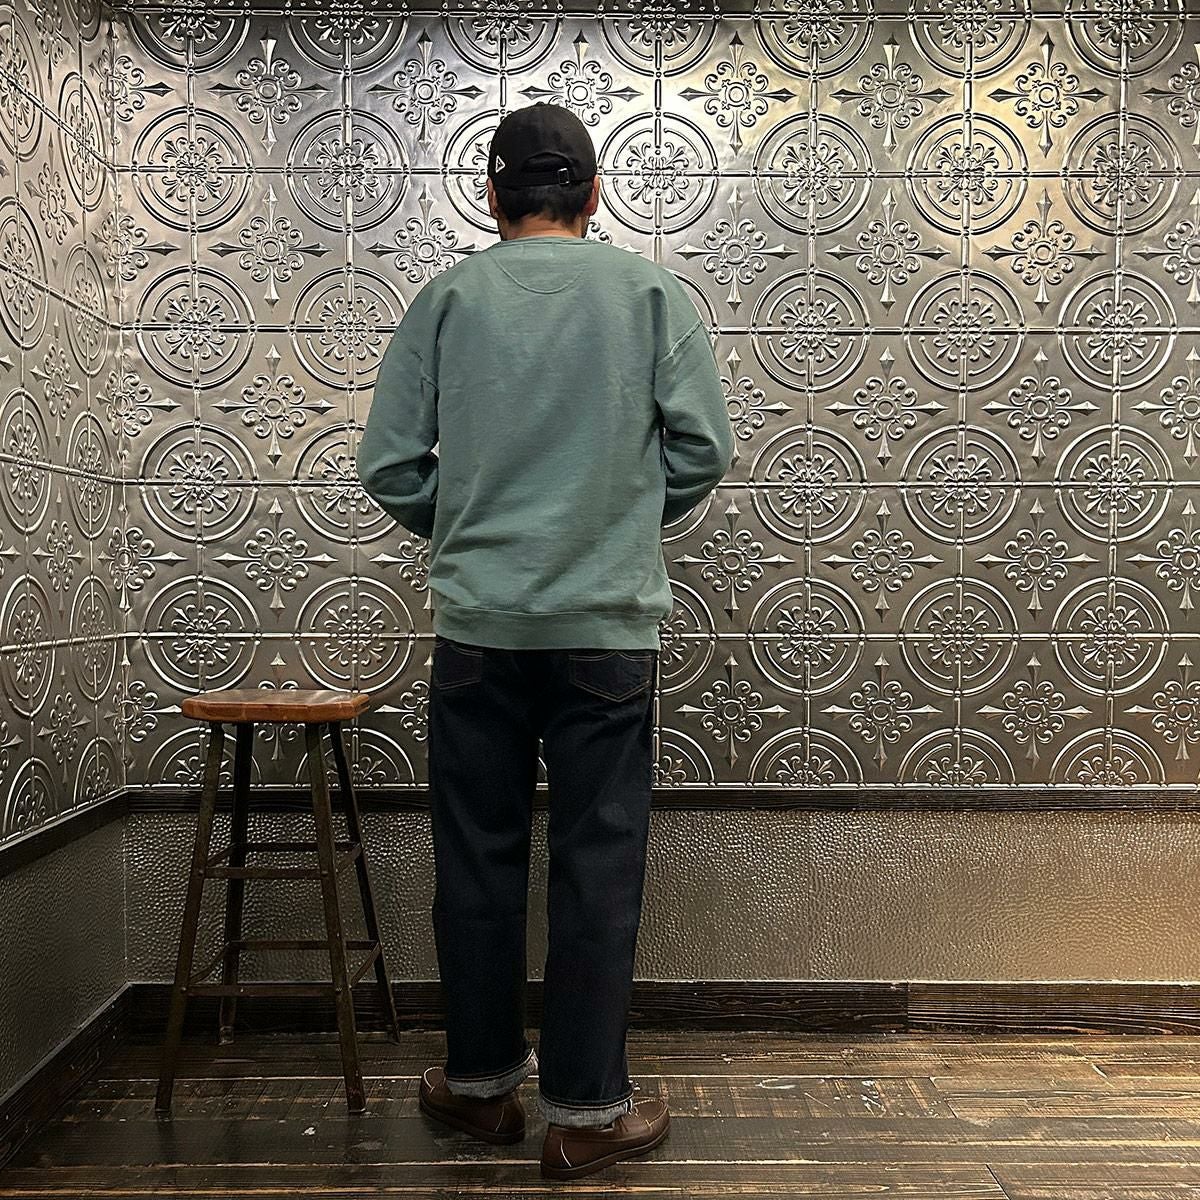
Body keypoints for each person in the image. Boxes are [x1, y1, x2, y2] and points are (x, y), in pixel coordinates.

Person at [355, 101, 734, 1181]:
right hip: (606, 629)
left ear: (491, 196)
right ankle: (585, 1113)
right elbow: (704, 451)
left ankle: (479, 1092)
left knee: (475, 858)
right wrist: (614, 521)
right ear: (595, 194)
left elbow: (389, 467)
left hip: (479, 627)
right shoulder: (652, 295)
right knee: (596, 867)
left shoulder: (447, 298)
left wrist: (468, 528)